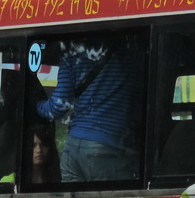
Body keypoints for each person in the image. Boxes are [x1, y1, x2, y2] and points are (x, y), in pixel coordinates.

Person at [36, 39, 143, 183]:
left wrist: (34, 105)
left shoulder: (70, 55)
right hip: (105, 147)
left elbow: (58, 106)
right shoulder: (132, 52)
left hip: (72, 149)